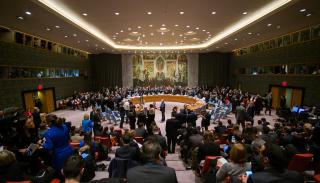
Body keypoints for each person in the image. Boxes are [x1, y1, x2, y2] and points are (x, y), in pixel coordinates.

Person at [240, 143, 304, 183]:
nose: (259, 156)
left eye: (260, 153)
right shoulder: (297, 176)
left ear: (266, 159)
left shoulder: (254, 179)